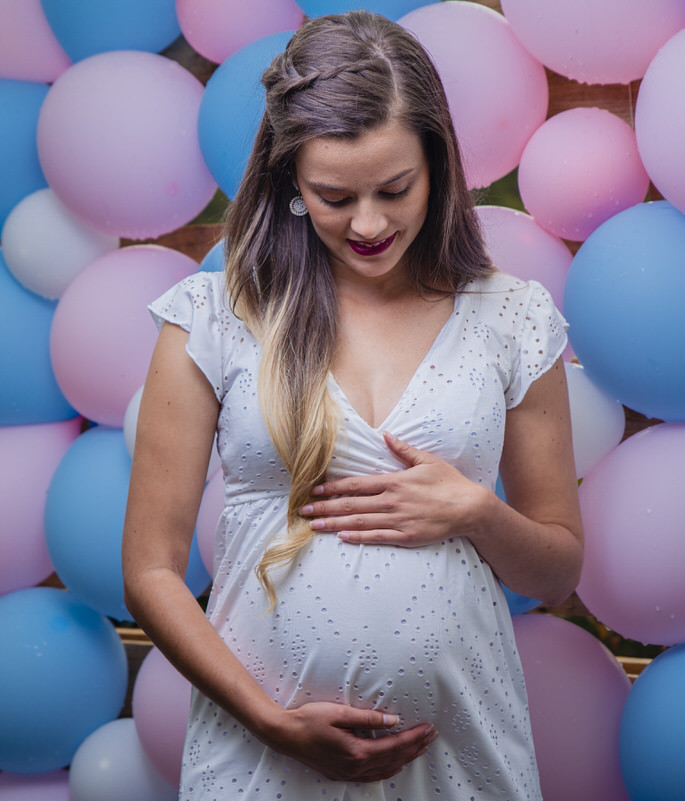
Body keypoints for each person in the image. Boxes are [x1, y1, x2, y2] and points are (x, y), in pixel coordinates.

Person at [122, 10, 583, 799]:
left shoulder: (513, 316)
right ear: (290, 183)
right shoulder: (214, 316)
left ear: (437, 167)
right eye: (333, 196)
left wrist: (476, 512)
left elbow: (559, 570)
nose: (368, 224)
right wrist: (269, 720)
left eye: (394, 189)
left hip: (461, 751)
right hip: (260, 756)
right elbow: (151, 571)